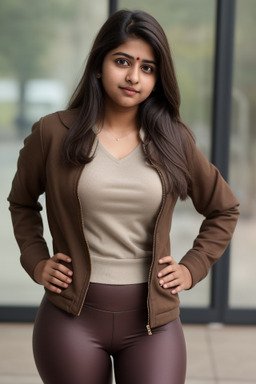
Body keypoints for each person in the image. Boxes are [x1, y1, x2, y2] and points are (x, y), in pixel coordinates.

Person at [8, 9, 239, 384]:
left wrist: (191, 267)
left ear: (157, 77)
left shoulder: (174, 139)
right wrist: (37, 261)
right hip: (70, 319)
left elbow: (224, 208)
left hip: (153, 323)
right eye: (122, 62)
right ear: (99, 65)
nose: (134, 77)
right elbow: (21, 202)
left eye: (148, 68)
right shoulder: (53, 132)